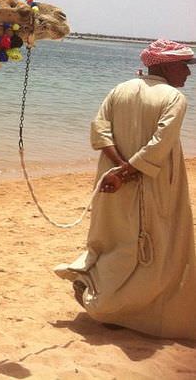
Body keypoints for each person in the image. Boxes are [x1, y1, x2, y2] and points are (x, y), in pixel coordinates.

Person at [54, 39, 196, 340]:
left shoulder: (120, 89)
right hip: (152, 183)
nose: (188, 72)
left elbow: (99, 131)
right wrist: (129, 171)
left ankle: (96, 288)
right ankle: (115, 306)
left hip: (111, 181)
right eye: (184, 65)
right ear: (167, 65)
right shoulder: (173, 98)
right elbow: (161, 143)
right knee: (151, 245)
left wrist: (118, 169)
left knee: (113, 237)